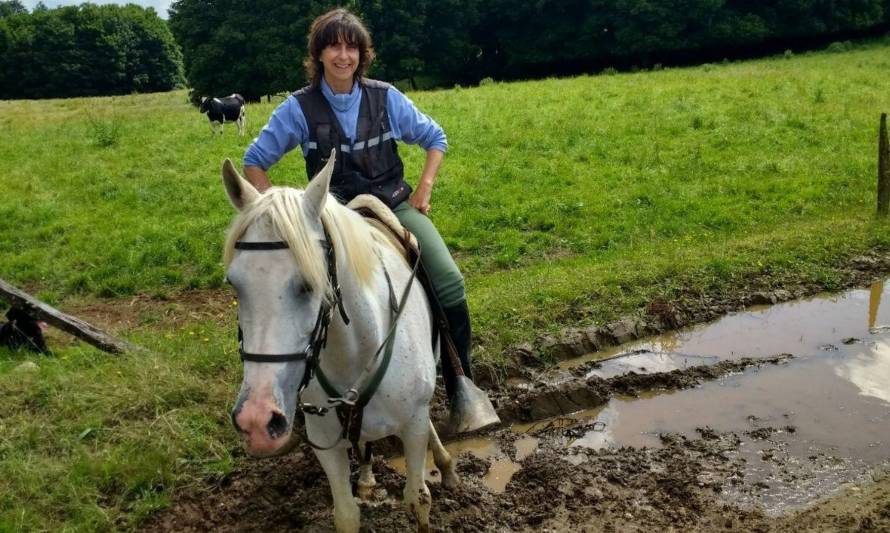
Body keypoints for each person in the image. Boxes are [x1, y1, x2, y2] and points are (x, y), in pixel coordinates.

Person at [242, 7, 474, 401]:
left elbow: (436, 138)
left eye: (352, 47)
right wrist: (280, 217)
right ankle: (292, 391)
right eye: (333, 46)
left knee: (450, 282)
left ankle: (461, 382)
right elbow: (254, 161)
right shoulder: (297, 108)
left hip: (391, 206)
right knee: (288, 296)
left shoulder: (386, 98)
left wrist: (424, 190)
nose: (343, 55)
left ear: (363, 55)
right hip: (334, 218)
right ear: (318, 54)